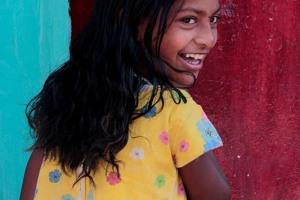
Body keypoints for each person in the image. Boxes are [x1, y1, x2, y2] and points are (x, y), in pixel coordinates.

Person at [20, 0, 231, 199]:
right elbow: (217, 195)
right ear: (132, 21)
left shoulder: (65, 103)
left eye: (213, 19)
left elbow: (32, 189)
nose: (208, 39)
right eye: (188, 20)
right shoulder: (174, 108)